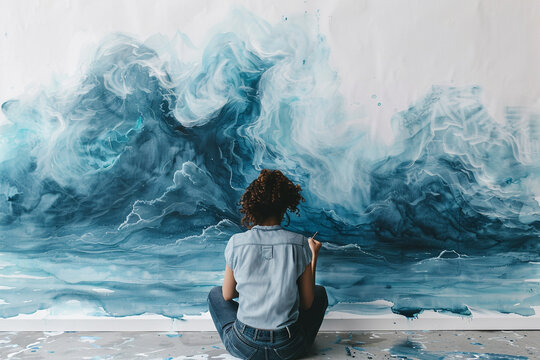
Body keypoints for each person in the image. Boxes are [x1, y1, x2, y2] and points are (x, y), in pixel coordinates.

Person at [208, 169, 328, 360]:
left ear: (252, 206)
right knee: (319, 293)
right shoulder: (299, 243)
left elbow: (227, 294)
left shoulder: (236, 242)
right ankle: (301, 344)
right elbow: (307, 302)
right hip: (288, 348)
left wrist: (256, 285)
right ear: (285, 207)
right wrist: (313, 256)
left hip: (245, 345)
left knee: (215, 293)